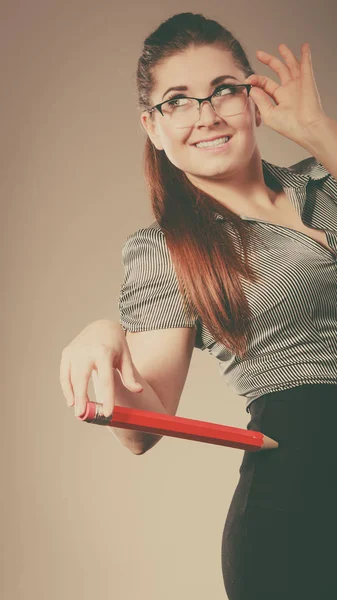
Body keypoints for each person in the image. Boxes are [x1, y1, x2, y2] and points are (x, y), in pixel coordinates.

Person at [59, 12, 337, 600]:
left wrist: (318, 131)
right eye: (177, 101)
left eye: (222, 91)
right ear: (152, 127)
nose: (206, 115)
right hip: (300, 506)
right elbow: (141, 427)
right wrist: (103, 336)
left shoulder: (327, 180)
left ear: (252, 98)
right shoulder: (163, 252)